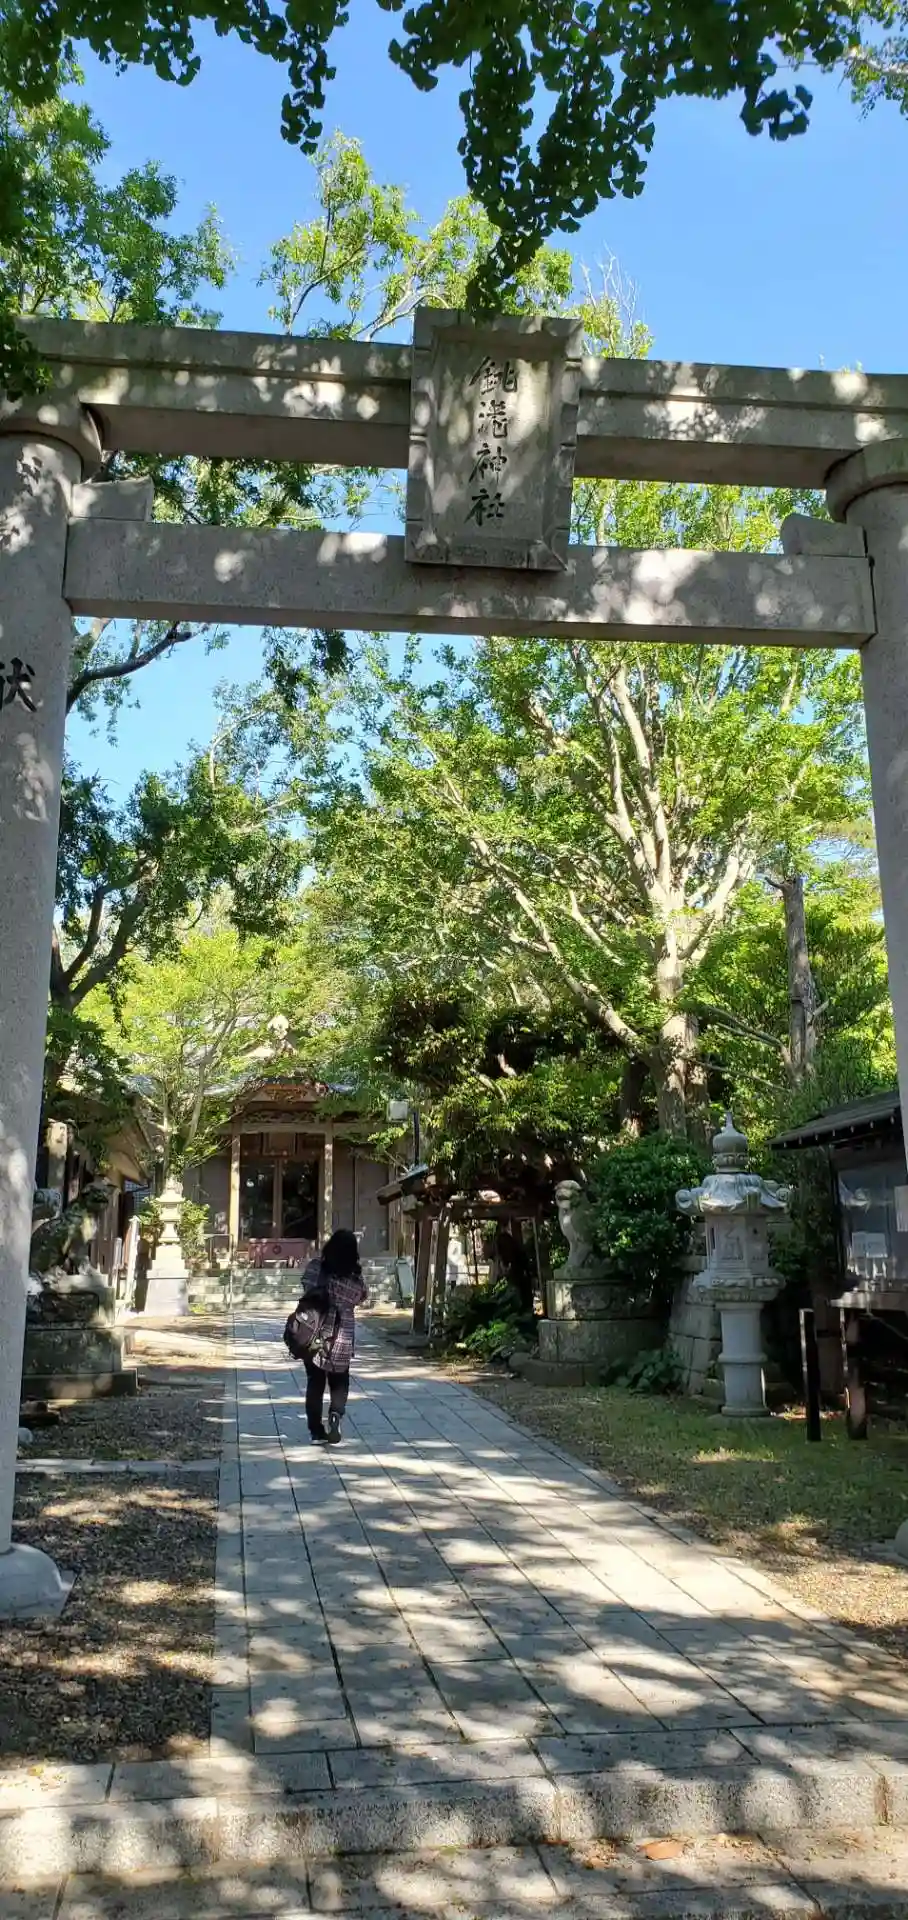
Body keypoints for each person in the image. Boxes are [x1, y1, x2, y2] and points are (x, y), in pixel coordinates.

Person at [299, 1229, 366, 1446]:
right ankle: (335, 1414)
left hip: (315, 1332)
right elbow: (362, 1297)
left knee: (315, 1382)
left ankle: (316, 1432)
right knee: (340, 1380)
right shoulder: (354, 1278)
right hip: (342, 1335)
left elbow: (306, 1286)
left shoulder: (316, 1268)